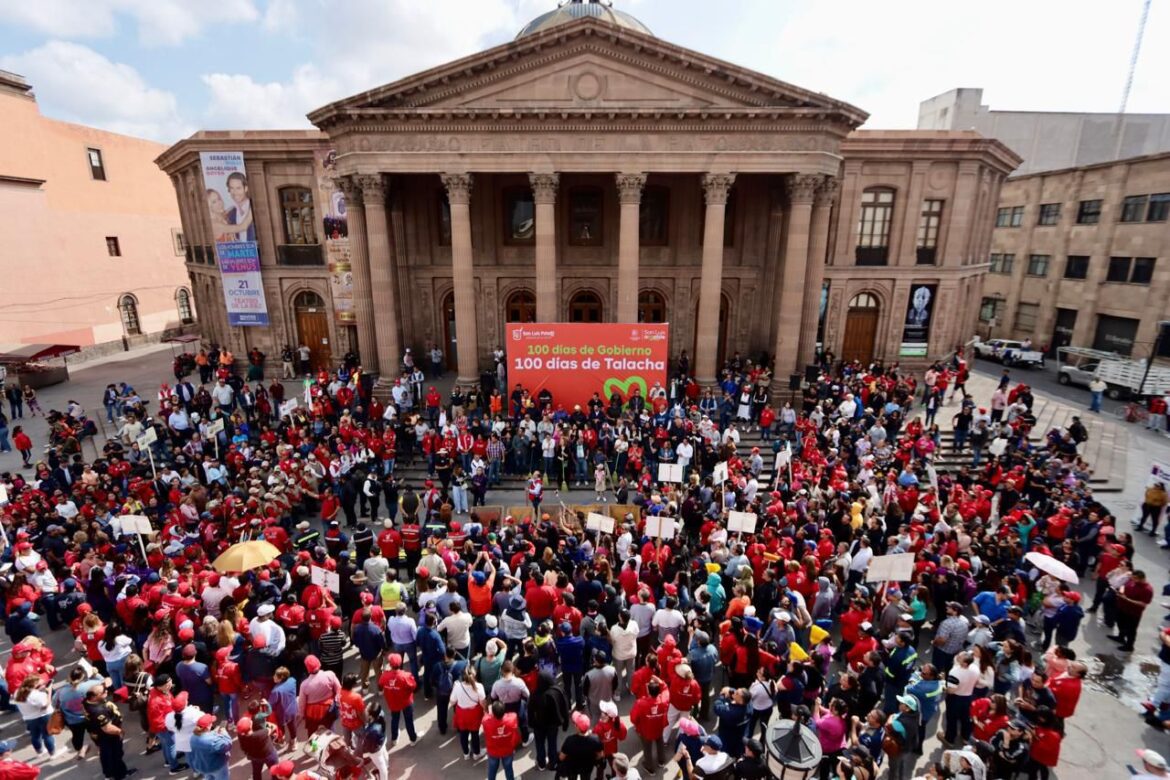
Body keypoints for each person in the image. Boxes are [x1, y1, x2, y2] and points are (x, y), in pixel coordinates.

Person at [84, 683, 134, 780]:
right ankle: (120, 775)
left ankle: (108, 774)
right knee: (116, 755)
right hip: (108, 736)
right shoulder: (98, 711)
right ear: (94, 696)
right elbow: (107, 728)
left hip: (98, 734)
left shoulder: (87, 701)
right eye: (103, 692)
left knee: (106, 755)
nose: (106, 691)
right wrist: (120, 731)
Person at [483, 700, 521, 780]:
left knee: (492, 770)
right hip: (507, 750)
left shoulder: (486, 722)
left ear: (493, 713)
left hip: (493, 750)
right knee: (508, 768)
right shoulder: (512, 718)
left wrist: (490, 712)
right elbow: (512, 714)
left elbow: (486, 716)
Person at [188, 714, 233, 780]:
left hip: (204, 766)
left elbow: (205, 737)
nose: (212, 724)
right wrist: (224, 733)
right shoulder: (213, 740)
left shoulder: (193, 737)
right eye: (211, 723)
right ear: (208, 726)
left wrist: (213, 732)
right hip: (216, 767)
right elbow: (228, 745)